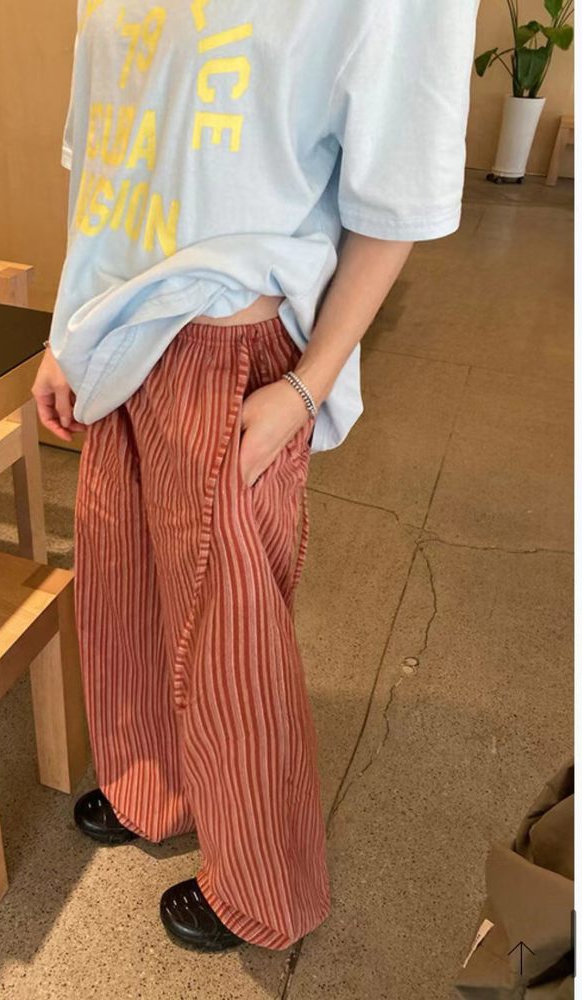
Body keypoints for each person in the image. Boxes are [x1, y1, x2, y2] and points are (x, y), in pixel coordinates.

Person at [32, 0, 480, 953]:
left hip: (231, 349)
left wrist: (305, 386)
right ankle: (154, 788)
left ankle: (265, 885)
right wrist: (61, 335)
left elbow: (395, 192)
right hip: (113, 337)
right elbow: (101, 169)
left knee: (233, 637)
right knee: (122, 587)